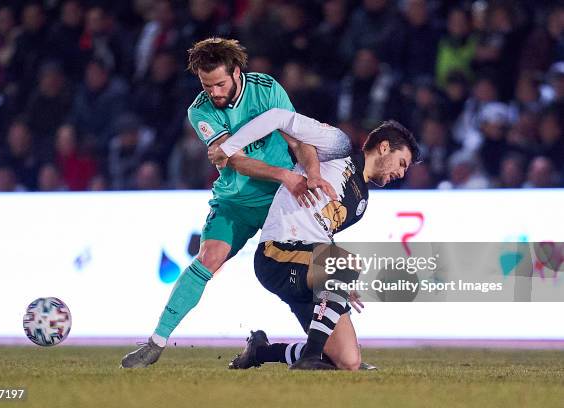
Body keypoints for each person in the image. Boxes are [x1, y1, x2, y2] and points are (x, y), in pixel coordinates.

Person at [120, 38, 335, 368]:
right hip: (235, 202)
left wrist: (312, 172)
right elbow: (232, 159)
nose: (215, 93)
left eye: (220, 83)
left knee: (309, 268)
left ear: (236, 72)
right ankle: (155, 343)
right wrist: (286, 175)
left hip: (279, 201)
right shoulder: (199, 109)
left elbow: (299, 136)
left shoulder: (267, 90)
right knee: (208, 259)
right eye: (207, 85)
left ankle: (327, 350)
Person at [208, 108, 420, 370]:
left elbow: (320, 236)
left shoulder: (362, 202)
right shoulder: (338, 148)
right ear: (385, 147)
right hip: (277, 253)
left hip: (305, 265)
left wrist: (337, 285)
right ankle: (309, 358)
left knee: (348, 361)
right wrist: (229, 147)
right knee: (346, 264)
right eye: (402, 163)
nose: (401, 173)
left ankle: (261, 352)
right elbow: (278, 117)